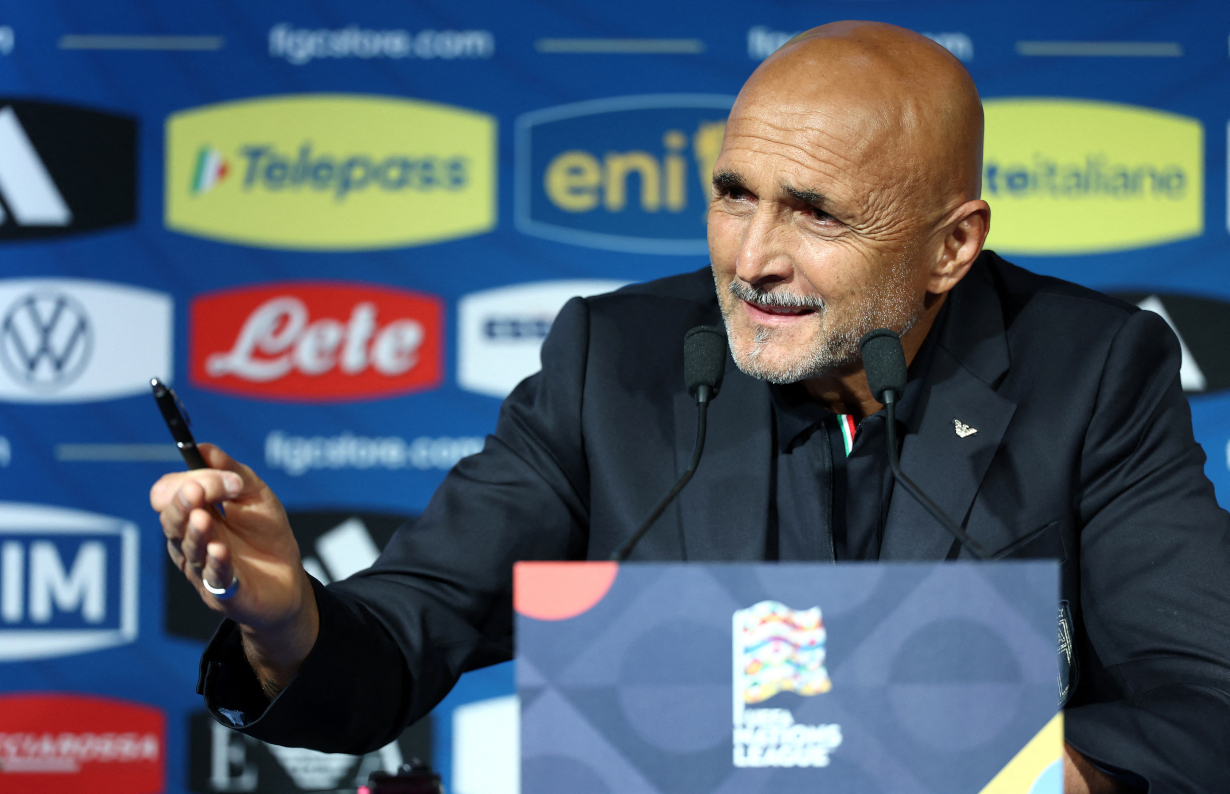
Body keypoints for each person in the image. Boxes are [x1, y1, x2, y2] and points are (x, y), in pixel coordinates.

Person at [151, 21, 1230, 793]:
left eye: (814, 212)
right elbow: (400, 641)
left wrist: (1041, 774)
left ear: (952, 244)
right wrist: (286, 621)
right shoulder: (612, 360)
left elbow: (1202, 702)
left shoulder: (1091, 372)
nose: (752, 258)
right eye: (733, 194)